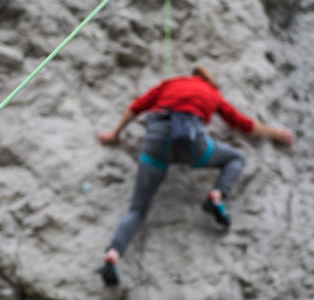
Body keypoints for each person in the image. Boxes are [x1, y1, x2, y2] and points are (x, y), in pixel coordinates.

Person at [97, 66, 294, 285]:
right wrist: (278, 134)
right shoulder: (212, 94)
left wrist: (114, 134)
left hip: (155, 145)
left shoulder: (170, 84)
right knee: (235, 159)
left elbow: (135, 108)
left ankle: (112, 255)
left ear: (192, 76)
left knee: (137, 210)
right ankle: (217, 196)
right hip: (192, 146)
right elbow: (244, 124)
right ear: (210, 81)